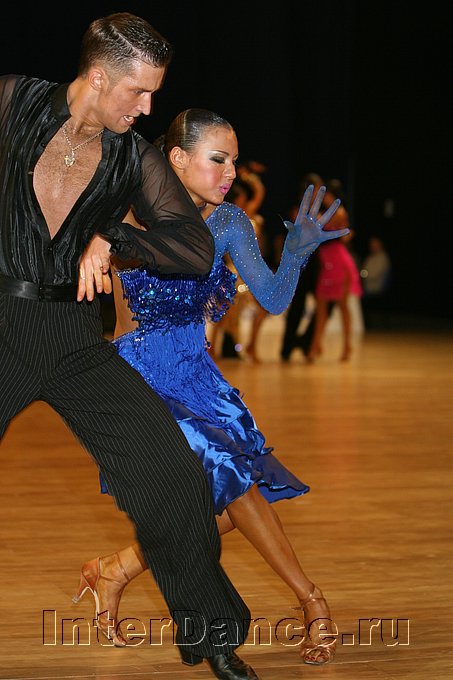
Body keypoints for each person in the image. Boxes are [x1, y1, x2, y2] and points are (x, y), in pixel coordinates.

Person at [0, 14, 261, 680]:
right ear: (97, 77)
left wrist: (116, 238)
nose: (147, 109)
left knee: (174, 475)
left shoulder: (132, 156)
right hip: (2, 323)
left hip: (74, 338)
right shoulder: (12, 101)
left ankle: (215, 640)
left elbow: (192, 247)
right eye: (138, 92)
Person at [80, 108, 348, 665]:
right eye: (218, 159)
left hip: (198, 376)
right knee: (232, 479)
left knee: (221, 502)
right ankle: (312, 600)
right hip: (141, 379)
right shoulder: (129, 213)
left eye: (233, 161)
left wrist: (296, 253)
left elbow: (273, 299)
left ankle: (115, 569)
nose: (230, 173)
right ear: (177, 159)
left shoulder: (228, 222)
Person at [306, 184, 362, 363]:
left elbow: (329, 231)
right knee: (322, 307)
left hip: (337, 262)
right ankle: (315, 346)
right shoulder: (328, 213)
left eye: (328, 194)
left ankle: (345, 346)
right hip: (327, 262)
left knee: (341, 306)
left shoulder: (338, 212)